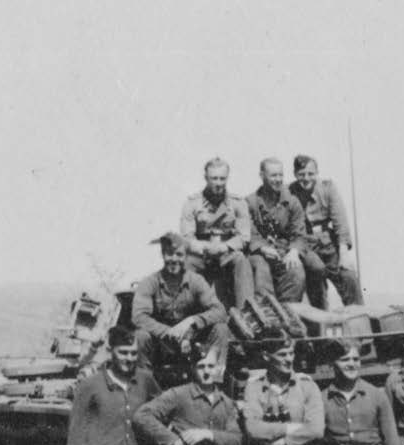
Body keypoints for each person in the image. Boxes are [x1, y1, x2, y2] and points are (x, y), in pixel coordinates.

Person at [131, 232, 231, 373]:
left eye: (179, 255)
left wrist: (192, 321)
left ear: (186, 257)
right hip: (160, 343)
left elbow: (220, 311)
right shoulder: (149, 282)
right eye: (169, 254)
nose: (174, 259)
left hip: (192, 342)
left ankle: (213, 383)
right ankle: (144, 385)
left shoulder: (196, 281)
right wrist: (169, 333)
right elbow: (139, 317)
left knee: (220, 329)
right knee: (140, 336)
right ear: (162, 254)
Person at [288, 154, 363, 309]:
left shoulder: (328, 188)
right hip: (305, 244)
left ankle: (359, 318)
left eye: (311, 174)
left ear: (317, 173)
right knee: (315, 273)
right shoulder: (289, 192)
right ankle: (321, 321)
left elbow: (340, 221)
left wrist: (343, 254)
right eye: (301, 175)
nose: (306, 178)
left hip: (328, 242)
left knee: (348, 276)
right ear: (295, 174)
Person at [179, 157, 254, 308]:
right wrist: (205, 248)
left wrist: (223, 247)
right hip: (201, 254)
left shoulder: (238, 203)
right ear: (206, 177)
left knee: (241, 260)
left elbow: (244, 236)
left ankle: (246, 311)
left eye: (222, 178)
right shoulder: (192, 203)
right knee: (187, 263)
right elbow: (187, 237)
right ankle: (184, 310)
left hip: (226, 253)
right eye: (214, 178)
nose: (219, 183)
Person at [246, 158, 308, 303]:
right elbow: (249, 232)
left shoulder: (292, 202)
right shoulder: (250, 202)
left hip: (284, 251)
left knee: (296, 273)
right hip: (259, 253)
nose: (278, 179)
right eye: (273, 175)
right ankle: (267, 314)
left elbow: (299, 233)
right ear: (262, 176)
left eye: (281, 175)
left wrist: (293, 252)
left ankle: (288, 314)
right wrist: (262, 248)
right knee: (261, 271)